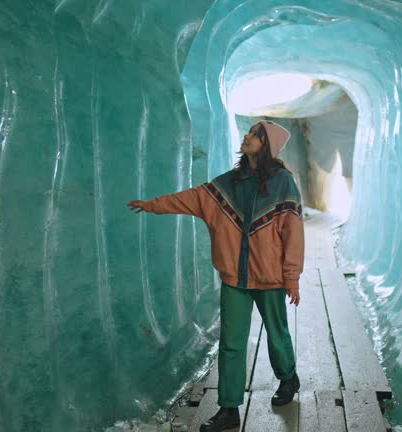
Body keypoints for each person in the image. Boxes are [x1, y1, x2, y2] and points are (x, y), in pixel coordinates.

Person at [128, 120, 304, 432]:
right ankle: (229, 409)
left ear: (267, 145)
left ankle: (288, 378)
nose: (247, 137)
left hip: (271, 277)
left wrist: (291, 276)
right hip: (235, 278)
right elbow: (192, 198)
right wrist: (153, 206)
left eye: (254, 135)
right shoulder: (230, 183)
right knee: (231, 343)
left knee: (277, 333)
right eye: (249, 132)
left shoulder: (283, 183)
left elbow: (293, 232)